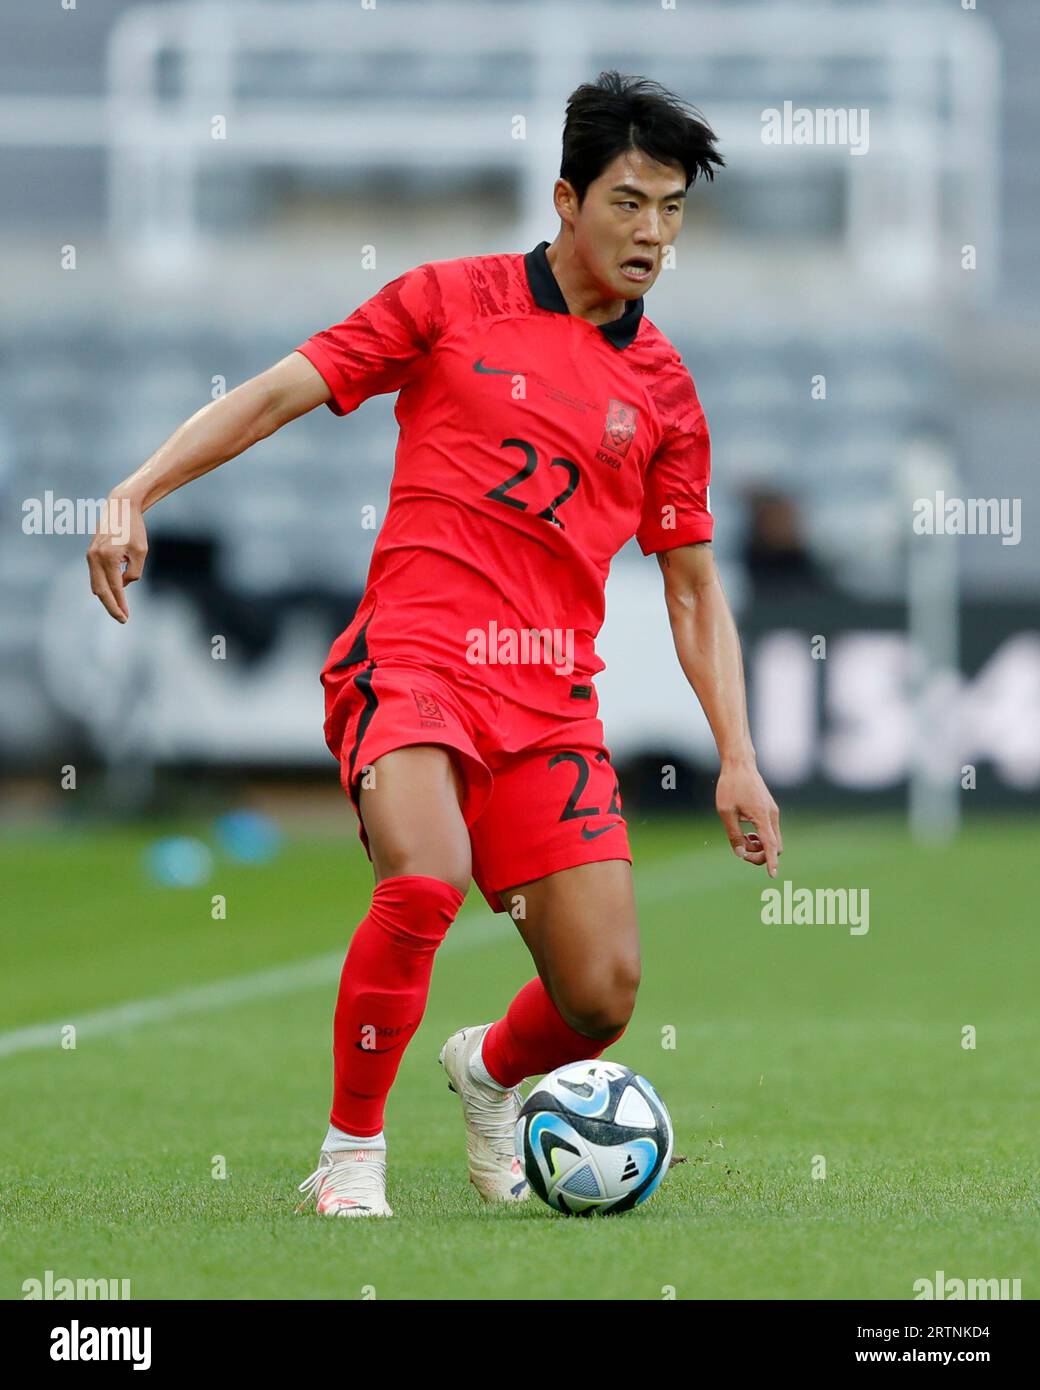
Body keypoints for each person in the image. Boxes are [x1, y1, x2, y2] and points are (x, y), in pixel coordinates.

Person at [88, 71, 782, 1218]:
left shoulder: (662, 392)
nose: (651, 232)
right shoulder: (448, 300)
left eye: (670, 209)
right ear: (565, 197)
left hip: (548, 700)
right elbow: (276, 394)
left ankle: (488, 1072)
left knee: (600, 993)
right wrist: (138, 487)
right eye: (627, 202)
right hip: (409, 661)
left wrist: (739, 757)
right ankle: (349, 1154)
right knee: (425, 879)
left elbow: (694, 592)